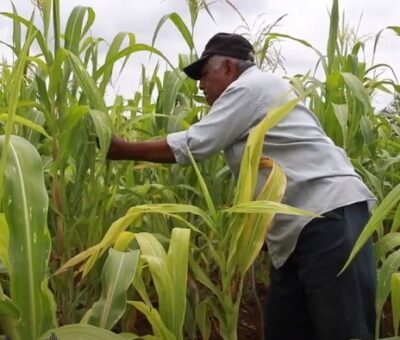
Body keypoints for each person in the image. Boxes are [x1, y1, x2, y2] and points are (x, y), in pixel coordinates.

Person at [107, 33, 377, 340]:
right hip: (302, 228)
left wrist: (120, 149)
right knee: (285, 327)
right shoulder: (261, 92)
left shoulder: (249, 88)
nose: (200, 86)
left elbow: (193, 144)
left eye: (205, 75)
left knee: (343, 330)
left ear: (230, 69)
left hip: (329, 218)